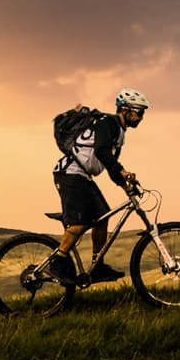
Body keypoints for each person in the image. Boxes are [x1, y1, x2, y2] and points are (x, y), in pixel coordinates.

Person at [49, 88, 149, 285]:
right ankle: (58, 262)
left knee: (102, 217)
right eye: (139, 112)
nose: (141, 117)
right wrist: (122, 171)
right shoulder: (108, 123)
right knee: (80, 222)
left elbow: (110, 165)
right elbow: (102, 152)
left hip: (82, 176)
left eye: (143, 113)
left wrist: (125, 185)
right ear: (125, 110)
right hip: (70, 174)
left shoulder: (119, 133)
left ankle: (98, 266)